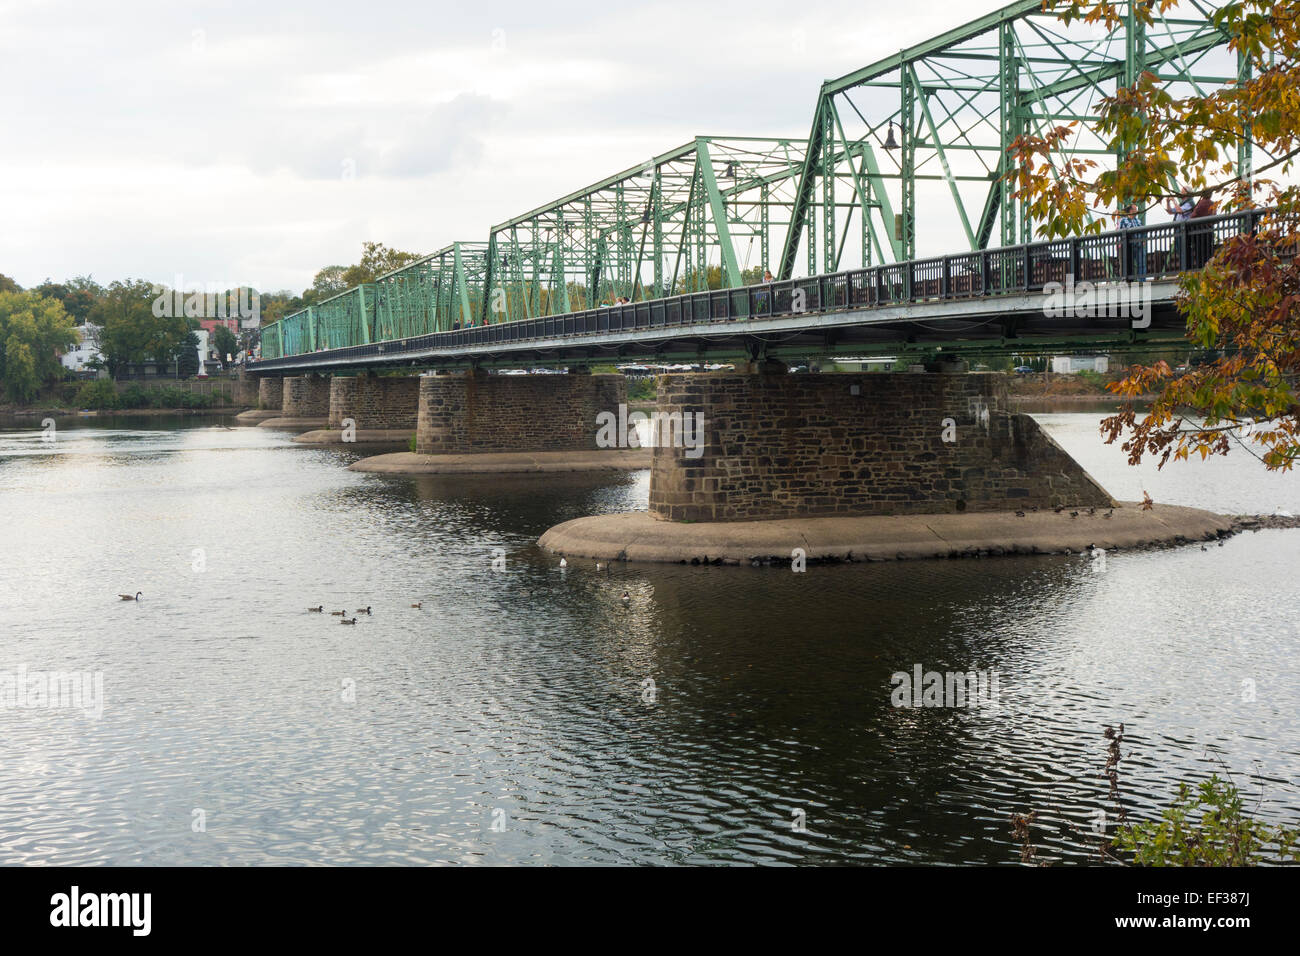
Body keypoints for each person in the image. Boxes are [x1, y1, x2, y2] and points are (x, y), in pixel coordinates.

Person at [1117, 203, 1146, 277]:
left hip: (1139, 245)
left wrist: (1143, 240)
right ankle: (1129, 279)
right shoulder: (1123, 220)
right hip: (1129, 246)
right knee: (1129, 264)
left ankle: (1142, 279)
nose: (1137, 210)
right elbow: (1120, 232)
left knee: (1142, 263)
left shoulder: (1138, 221)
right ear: (1131, 210)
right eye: (1135, 209)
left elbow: (1143, 231)